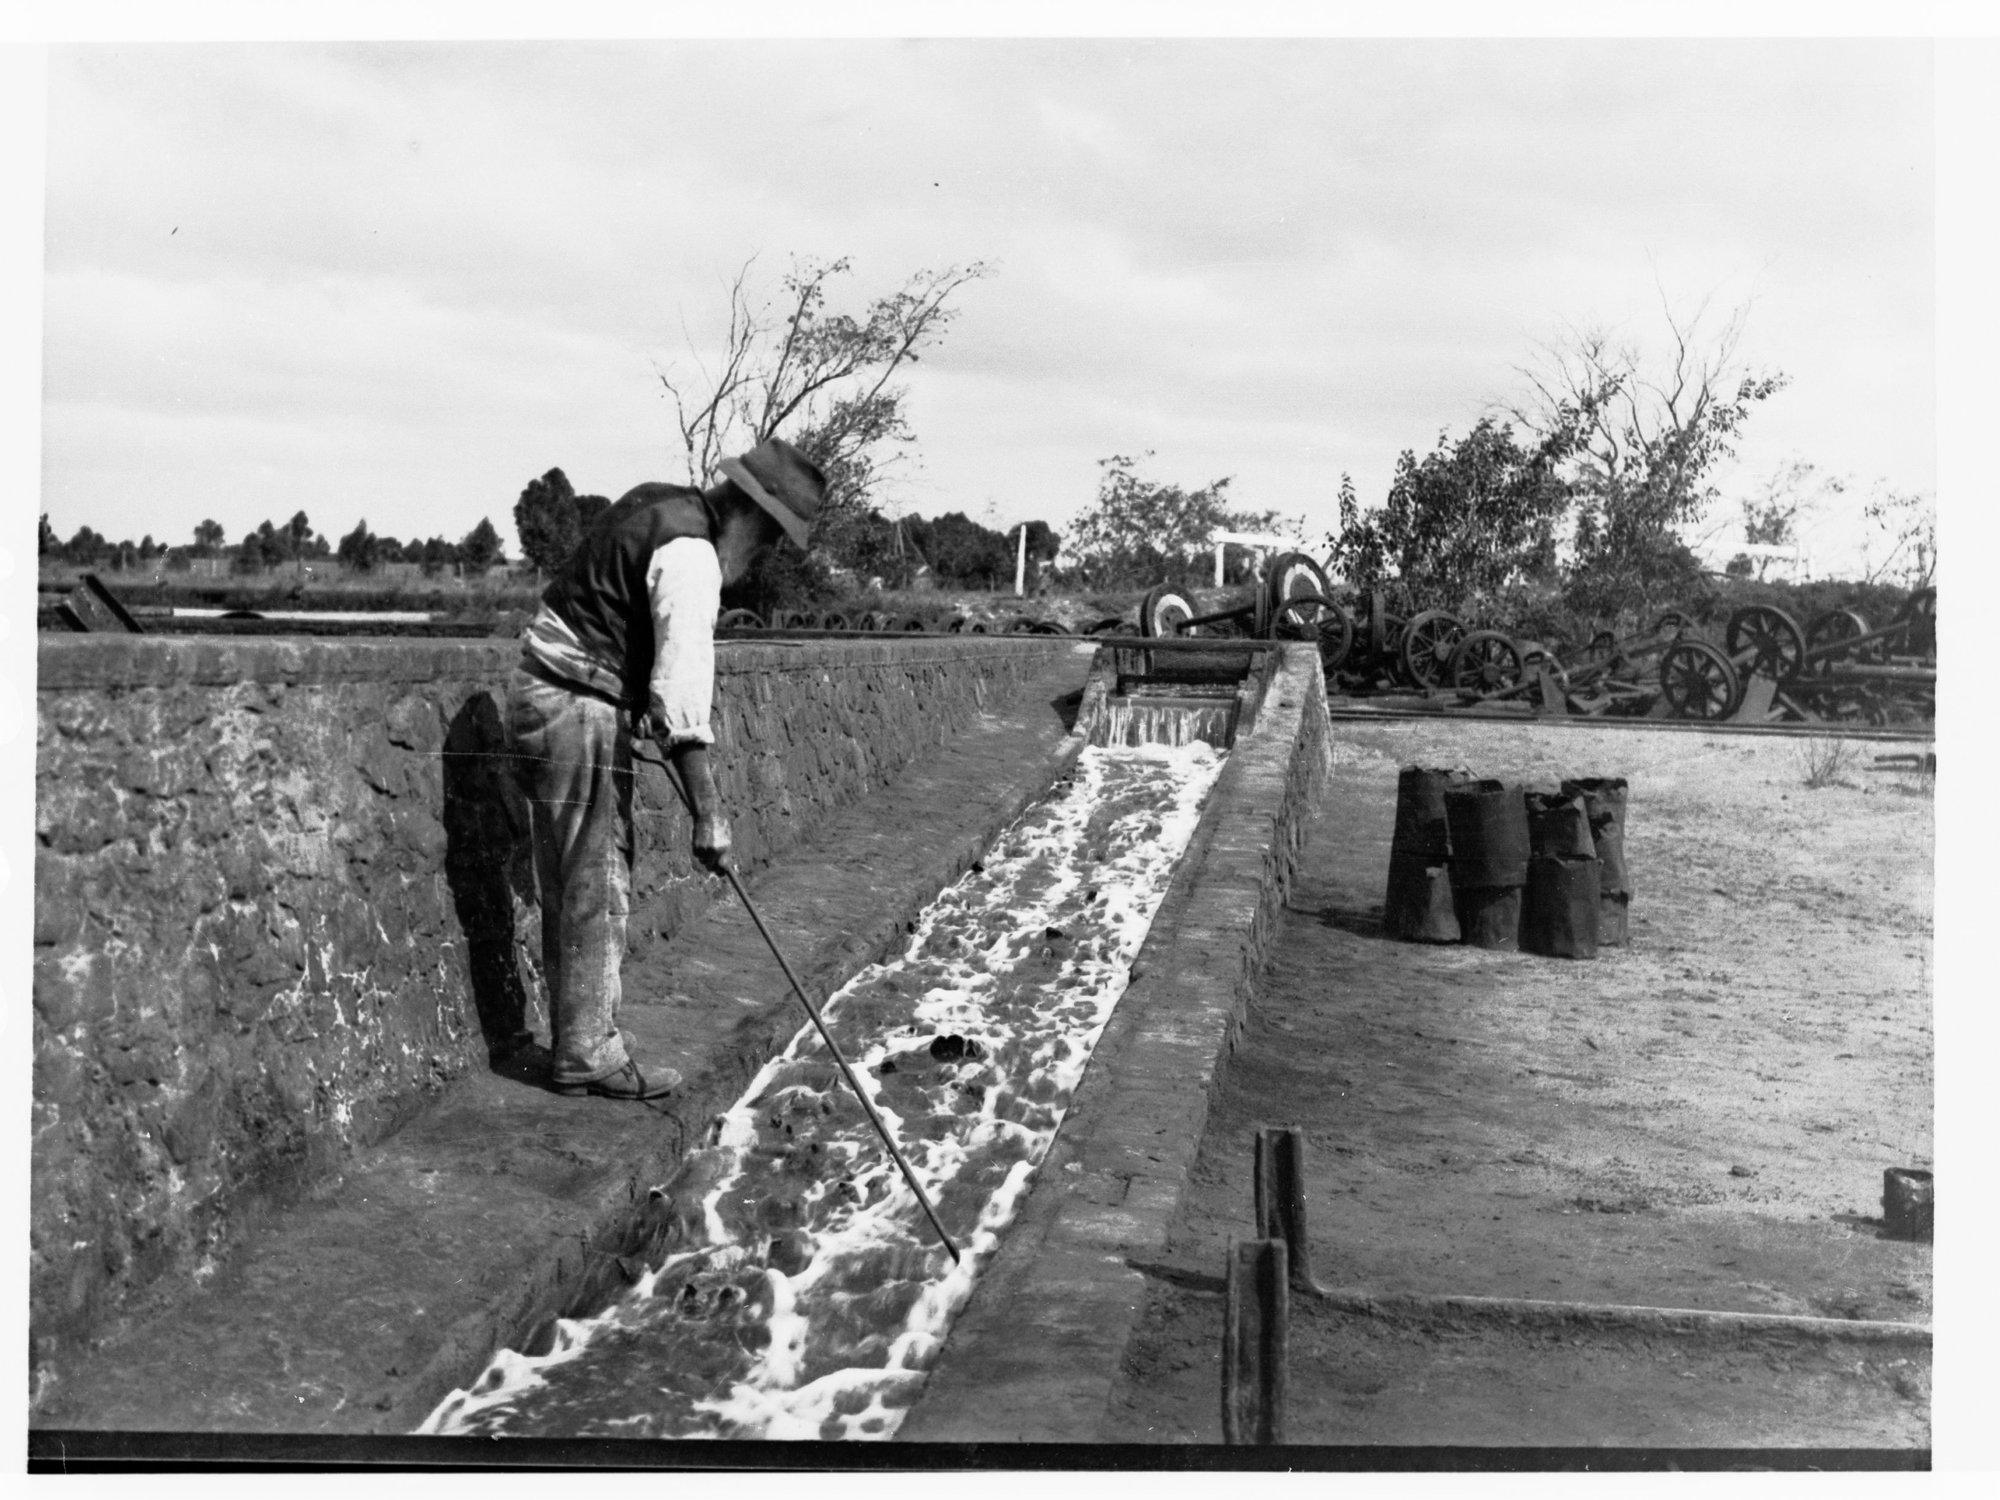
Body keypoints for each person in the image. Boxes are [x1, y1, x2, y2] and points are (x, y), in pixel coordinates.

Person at [505, 437, 826, 1100]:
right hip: (574, 703)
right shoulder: (692, 558)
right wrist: (711, 816)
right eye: (768, 541)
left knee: (579, 879)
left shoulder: (661, 502)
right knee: (595, 881)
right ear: (752, 520)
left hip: (553, 690)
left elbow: (626, 629)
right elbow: (684, 705)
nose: (762, 555)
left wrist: (638, 700)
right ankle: (588, 1052)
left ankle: (580, 1043)